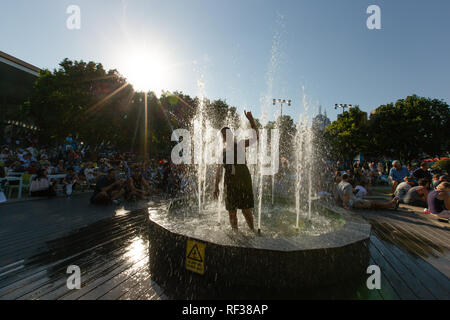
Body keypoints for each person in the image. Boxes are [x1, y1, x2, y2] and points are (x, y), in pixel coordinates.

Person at [213, 110, 258, 232]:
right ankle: (236, 235)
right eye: (223, 135)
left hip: (243, 179)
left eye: (227, 134)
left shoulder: (240, 144)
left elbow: (255, 138)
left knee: (246, 210)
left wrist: (251, 120)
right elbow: (218, 170)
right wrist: (216, 186)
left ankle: (253, 232)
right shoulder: (222, 151)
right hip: (230, 182)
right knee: (231, 211)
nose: (225, 137)